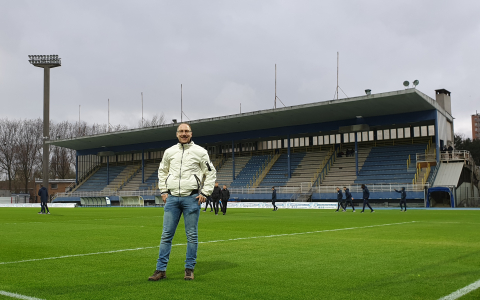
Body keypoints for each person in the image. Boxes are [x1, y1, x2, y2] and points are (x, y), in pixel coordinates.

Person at [149, 123, 216, 282]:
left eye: (186, 131)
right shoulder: (169, 152)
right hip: (171, 199)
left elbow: (211, 173)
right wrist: (164, 191)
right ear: (177, 134)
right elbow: (162, 171)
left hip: (191, 199)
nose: (184, 134)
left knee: (192, 236)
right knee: (166, 236)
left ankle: (189, 269)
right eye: (181, 131)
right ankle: (160, 270)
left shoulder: (200, 152)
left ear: (191, 134)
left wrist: (205, 192)